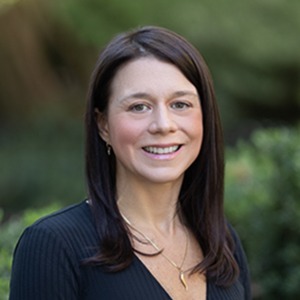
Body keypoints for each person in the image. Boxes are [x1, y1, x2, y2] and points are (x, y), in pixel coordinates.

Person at [9, 26, 251, 299]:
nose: (163, 125)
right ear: (103, 125)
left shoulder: (222, 243)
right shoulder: (53, 246)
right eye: (139, 107)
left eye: (180, 104)